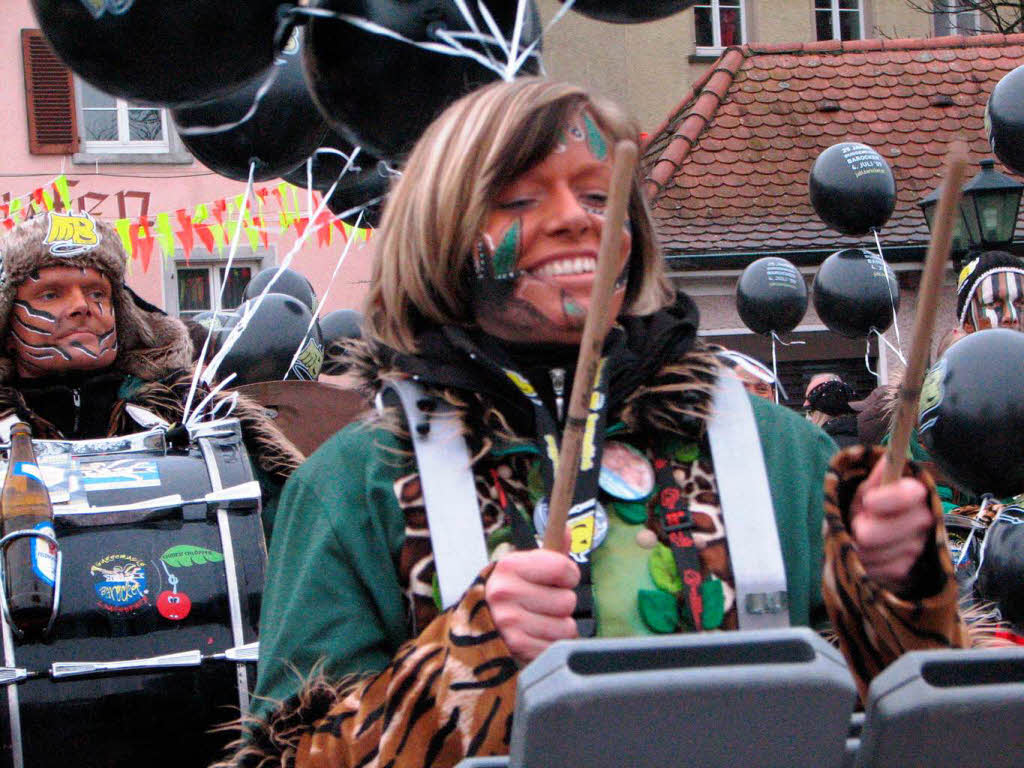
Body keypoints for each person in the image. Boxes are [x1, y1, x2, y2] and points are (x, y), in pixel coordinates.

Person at [230, 79, 965, 768]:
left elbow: (922, 734)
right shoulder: (356, 486)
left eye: (596, 193)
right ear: (440, 238)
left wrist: (899, 595)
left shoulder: (784, 454)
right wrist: (467, 657)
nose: (574, 217)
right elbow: (289, 754)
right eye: (517, 200)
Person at [0, 212, 303, 533]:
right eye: (51, 294)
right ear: (6, 322)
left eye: (96, 293)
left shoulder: (196, 411)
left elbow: (292, 526)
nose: (82, 306)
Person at [804, 376, 859, 448]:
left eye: (810, 412)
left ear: (821, 413)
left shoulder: (819, 447)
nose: (808, 417)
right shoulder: (872, 440)